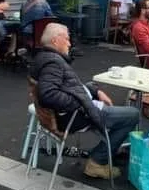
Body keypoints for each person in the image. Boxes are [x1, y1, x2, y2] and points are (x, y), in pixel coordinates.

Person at [29, 23, 139, 180]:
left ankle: (107, 151)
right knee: (133, 114)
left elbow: (71, 86)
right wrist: (80, 103)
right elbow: (49, 95)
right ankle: (97, 161)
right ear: (55, 41)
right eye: (66, 39)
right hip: (76, 116)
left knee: (124, 113)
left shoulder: (45, 58)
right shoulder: (53, 63)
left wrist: (94, 91)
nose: (69, 43)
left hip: (76, 111)